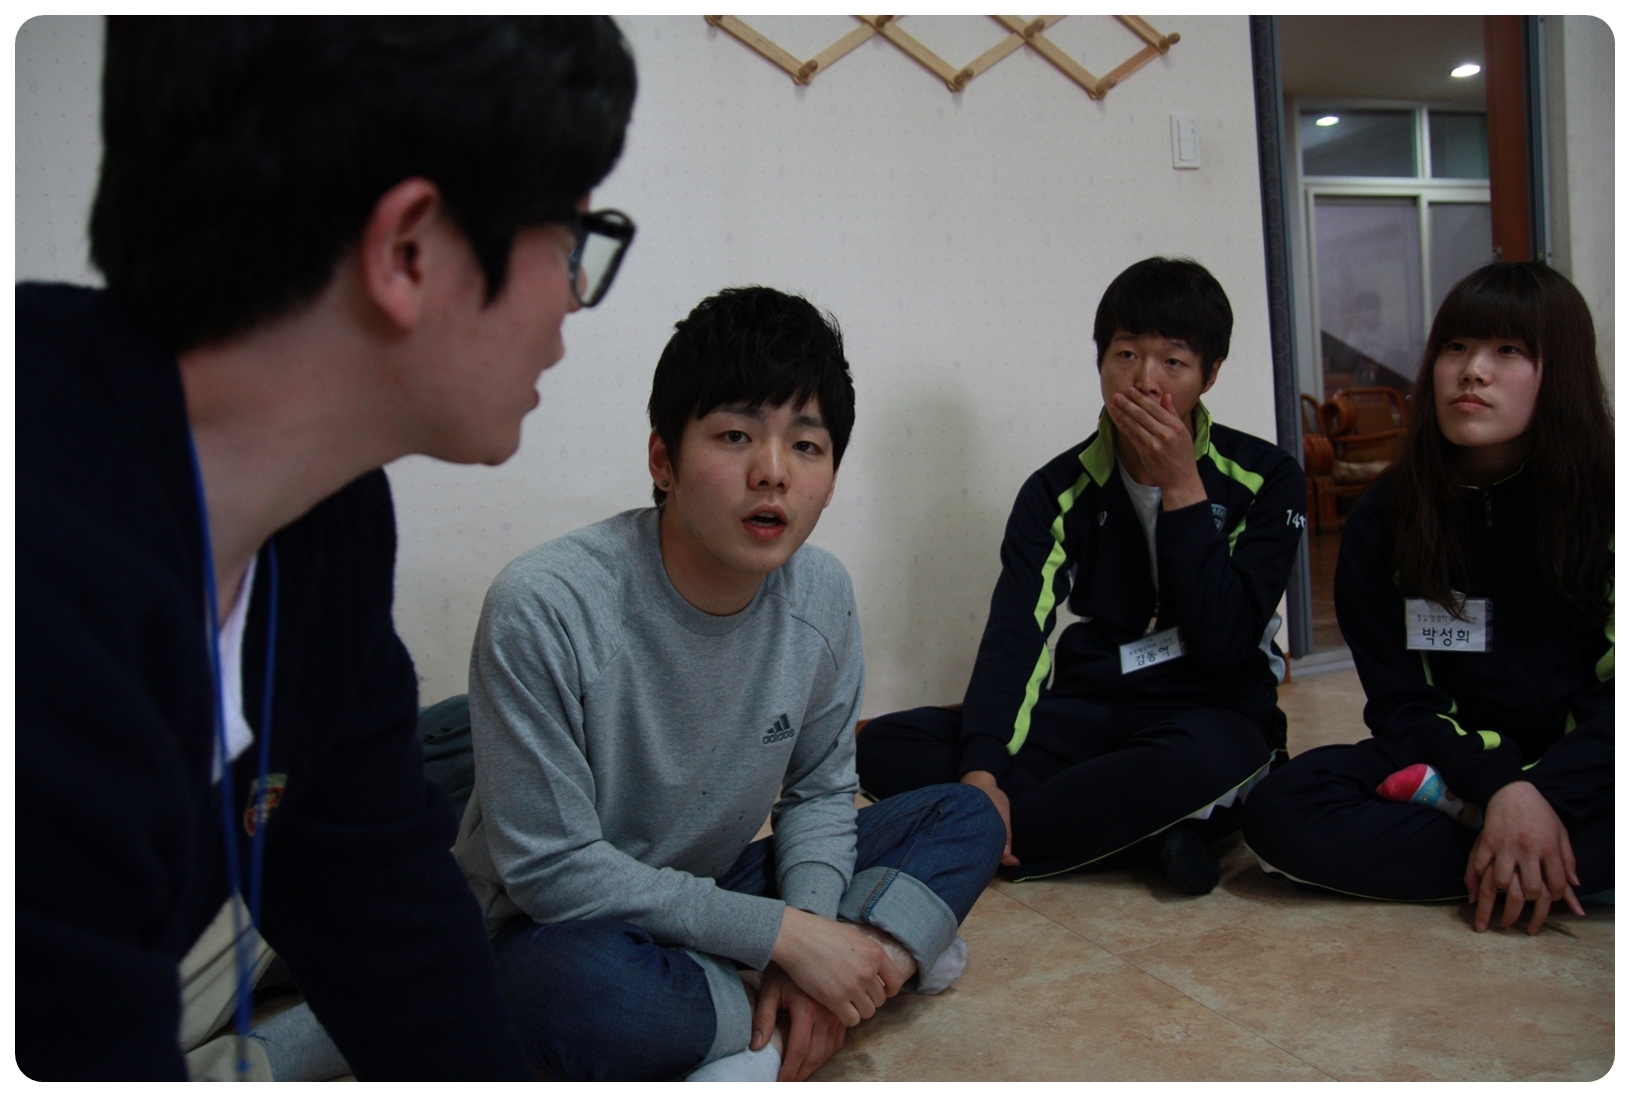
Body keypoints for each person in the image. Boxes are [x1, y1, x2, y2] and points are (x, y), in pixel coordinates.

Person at [15, 16, 636, 1080]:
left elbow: (388, 910)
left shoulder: (325, 524)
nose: (574, 298)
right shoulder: (45, 576)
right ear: (408, 251)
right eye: (569, 239)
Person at [454, 286, 1007, 1082]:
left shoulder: (821, 594)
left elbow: (820, 792)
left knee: (966, 815)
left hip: (708, 891)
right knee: (571, 991)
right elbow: (553, 870)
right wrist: (782, 937)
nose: (772, 472)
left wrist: (805, 930)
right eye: (736, 435)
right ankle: (855, 975)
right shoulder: (544, 605)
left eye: (806, 445)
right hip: (557, 924)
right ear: (663, 459)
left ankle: (802, 995)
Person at [856, 257, 1307, 894]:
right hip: (1098, 706)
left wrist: (1183, 485)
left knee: (1216, 758)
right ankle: (1143, 829)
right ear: (1100, 361)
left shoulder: (1267, 478)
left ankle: (995, 828)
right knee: (884, 742)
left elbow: (1226, 643)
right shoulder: (1055, 491)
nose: (1145, 381)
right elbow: (1017, 634)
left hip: (1211, 710)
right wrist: (981, 776)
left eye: (1173, 362)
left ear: (1210, 374)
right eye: (1126, 354)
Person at [1244, 262, 1614, 933]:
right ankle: (1540, 857)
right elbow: (1402, 705)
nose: (1472, 372)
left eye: (1508, 350)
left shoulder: (1607, 501)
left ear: (1561, 372)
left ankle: (1511, 844)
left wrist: (1544, 794)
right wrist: (1501, 785)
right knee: (1282, 807)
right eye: (1455, 347)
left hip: (1592, 766)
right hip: (1457, 760)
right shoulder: (1387, 517)